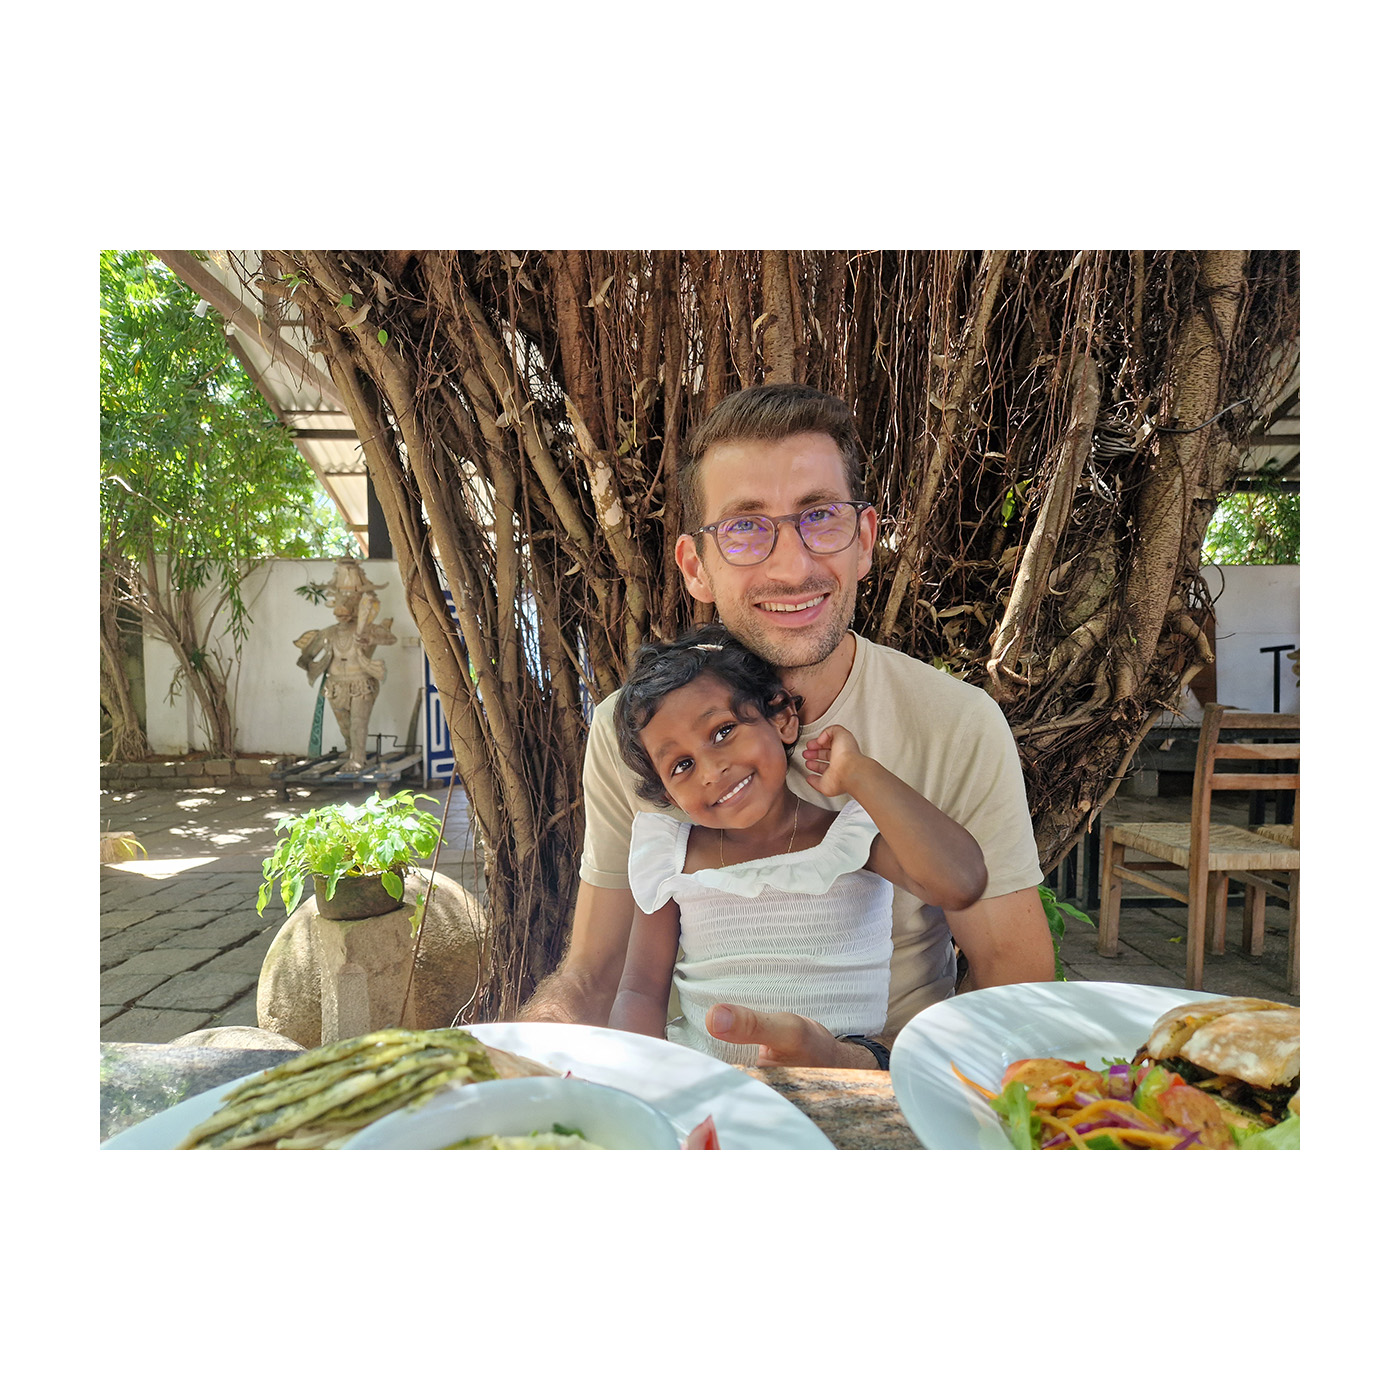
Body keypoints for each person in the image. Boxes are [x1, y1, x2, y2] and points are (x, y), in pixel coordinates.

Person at [522, 383, 1055, 1068]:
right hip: (704, 1092)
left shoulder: (954, 724)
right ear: (697, 568)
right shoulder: (632, 734)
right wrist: (519, 1067)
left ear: (864, 542)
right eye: (744, 528)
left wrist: (861, 1067)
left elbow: (1013, 983)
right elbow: (599, 979)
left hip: (895, 1090)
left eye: (820, 517)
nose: (792, 566)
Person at [606, 625, 987, 1066]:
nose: (710, 771)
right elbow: (640, 991)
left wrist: (860, 773)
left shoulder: (847, 837)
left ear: (782, 719)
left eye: (723, 732)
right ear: (668, 795)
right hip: (709, 1085)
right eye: (682, 765)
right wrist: (632, 1077)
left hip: (838, 1083)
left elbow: (961, 883)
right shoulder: (672, 857)